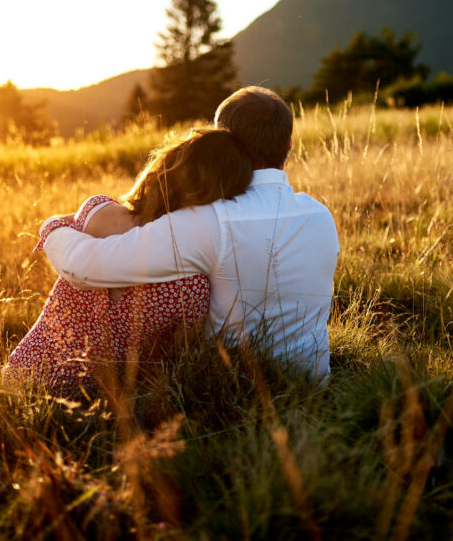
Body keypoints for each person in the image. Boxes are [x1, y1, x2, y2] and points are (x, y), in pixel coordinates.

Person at [42, 87, 340, 379]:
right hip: (312, 385)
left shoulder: (211, 220)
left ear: (222, 143)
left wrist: (53, 228)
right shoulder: (321, 216)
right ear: (289, 145)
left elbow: (83, 268)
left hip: (229, 393)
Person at [4, 127, 253, 395]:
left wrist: (52, 225)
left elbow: (69, 228)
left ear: (166, 168)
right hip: (107, 398)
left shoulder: (96, 210)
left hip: (26, 378)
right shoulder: (195, 284)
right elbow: (177, 359)